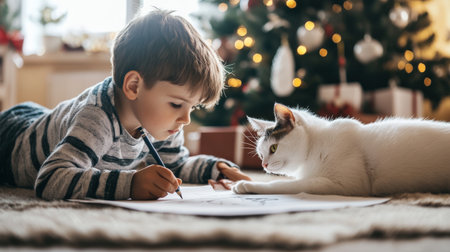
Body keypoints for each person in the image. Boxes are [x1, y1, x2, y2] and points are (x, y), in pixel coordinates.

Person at [0, 9, 251, 200]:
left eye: (192, 107)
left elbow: (174, 165)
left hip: (46, 122)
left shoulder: (164, 123)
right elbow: (50, 179)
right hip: (10, 140)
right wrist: (130, 184)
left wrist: (215, 168)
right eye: (176, 104)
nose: (186, 119)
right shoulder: (97, 119)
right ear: (134, 86)